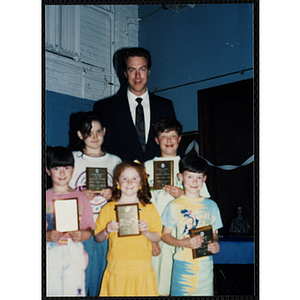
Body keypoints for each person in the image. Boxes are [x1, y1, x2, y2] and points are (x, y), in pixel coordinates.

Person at [144, 117, 211, 296]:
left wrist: (182, 194)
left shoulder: (190, 166)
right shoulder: (147, 167)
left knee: (185, 283)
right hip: (158, 232)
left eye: (173, 136)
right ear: (156, 140)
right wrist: (149, 238)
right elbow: (142, 205)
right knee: (159, 284)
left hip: (185, 233)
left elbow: (206, 204)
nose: (168, 141)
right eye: (164, 137)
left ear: (180, 139)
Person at [68, 112, 122, 296]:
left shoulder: (115, 161)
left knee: (102, 281)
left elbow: (124, 195)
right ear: (80, 135)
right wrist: (79, 196)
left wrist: (114, 194)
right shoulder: (72, 159)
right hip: (79, 227)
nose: (95, 137)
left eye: (99, 131)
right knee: (77, 280)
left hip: (105, 227)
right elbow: (59, 193)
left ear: (104, 131)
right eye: (89, 132)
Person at [93, 47, 176, 162]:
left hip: (157, 178)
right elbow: (99, 150)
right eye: (132, 70)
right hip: (121, 177)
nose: (137, 76)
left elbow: (174, 147)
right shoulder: (106, 108)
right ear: (125, 73)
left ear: (148, 72)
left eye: (142, 69)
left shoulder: (165, 106)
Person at [94, 161, 161, 296]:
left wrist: (147, 232)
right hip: (117, 266)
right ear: (117, 182)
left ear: (141, 183)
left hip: (142, 266)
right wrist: (106, 230)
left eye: (134, 179)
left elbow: (158, 236)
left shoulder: (150, 209)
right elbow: (98, 238)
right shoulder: (108, 208)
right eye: (125, 178)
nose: (129, 182)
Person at [161, 154, 223, 296]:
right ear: (180, 177)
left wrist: (214, 243)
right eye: (189, 176)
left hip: (205, 267)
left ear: (204, 179)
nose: (194, 181)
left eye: (199, 177)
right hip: (183, 265)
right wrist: (184, 242)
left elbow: (214, 234)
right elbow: (165, 235)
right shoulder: (173, 205)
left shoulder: (212, 205)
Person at [46, 146, 95, 297]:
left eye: (66, 167)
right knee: (51, 290)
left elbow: (89, 229)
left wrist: (82, 235)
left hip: (74, 249)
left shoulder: (82, 197)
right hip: (50, 250)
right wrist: (47, 236)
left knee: (75, 290)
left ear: (73, 169)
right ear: (48, 171)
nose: (62, 173)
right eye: (56, 168)